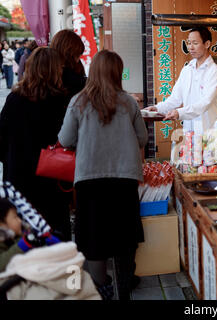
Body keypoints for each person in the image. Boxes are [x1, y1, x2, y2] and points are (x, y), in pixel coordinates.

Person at [58, 50, 148, 300]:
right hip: (124, 178)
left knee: (93, 236)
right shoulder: (128, 102)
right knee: (125, 234)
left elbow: (65, 139)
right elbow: (142, 138)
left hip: (89, 179)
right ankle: (126, 281)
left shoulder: (78, 101)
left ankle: (101, 285)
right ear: (117, 72)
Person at [0, 47, 72, 241]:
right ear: (55, 70)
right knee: (56, 229)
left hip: (18, 177)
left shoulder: (14, 99)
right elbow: (67, 139)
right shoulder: (60, 101)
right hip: (52, 178)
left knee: (25, 233)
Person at [145, 26, 217, 135]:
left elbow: (205, 102)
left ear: (207, 44)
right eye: (189, 43)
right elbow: (175, 99)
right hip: (189, 131)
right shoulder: (187, 69)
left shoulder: (214, 71)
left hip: (209, 131)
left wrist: (179, 112)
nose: (191, 47)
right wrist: (157, 108)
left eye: (195, 43)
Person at [0, 198, 60, 273]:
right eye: (15, 217)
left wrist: (44, 243)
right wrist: (20, 246)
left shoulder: (22, 234)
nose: (20, 220)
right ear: (1, 223)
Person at [50, 30, 86, 100]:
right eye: (77, 55)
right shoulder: (77, 82)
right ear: (69, 54)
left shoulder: (43, 77)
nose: (78, 60)